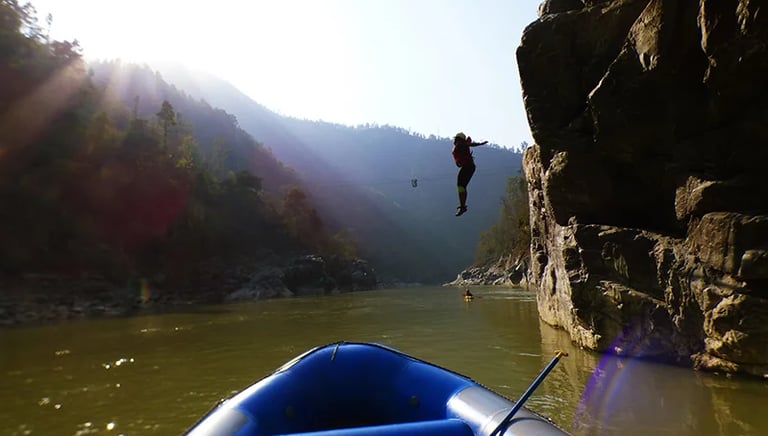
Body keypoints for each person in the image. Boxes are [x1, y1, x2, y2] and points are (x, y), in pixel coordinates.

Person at [452, 132, 488, 216]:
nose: (454, 140)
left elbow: (470, 144)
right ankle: (462, 206)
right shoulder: (460, 145)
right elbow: (468, 145)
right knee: (461, 186)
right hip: (468, 167)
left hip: (468, 167)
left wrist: (479, 144)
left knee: (461, 185)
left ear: (458, 139)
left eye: (456, 138)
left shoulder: (460, 144)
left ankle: (462, 206)